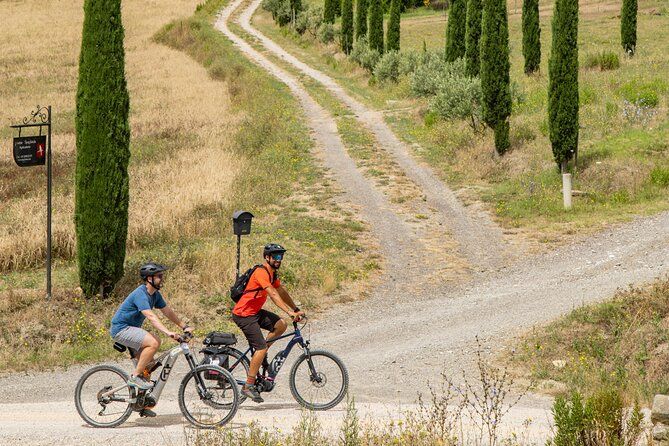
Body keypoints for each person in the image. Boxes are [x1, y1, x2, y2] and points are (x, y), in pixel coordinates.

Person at [110, 263, 193, 411]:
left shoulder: (155, 295)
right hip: (121, 329)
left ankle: (141, 404)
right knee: (154, 342)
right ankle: (135, 377)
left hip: (132, 329)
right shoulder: (141, 294)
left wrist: (183, 326)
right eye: (159, 276)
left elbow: (167, 311)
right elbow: (150, 316)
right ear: (149, 278)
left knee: (148, 368)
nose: (162, 278)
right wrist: (167, 332)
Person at [232, 243, 305, 403]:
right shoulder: (261, 272)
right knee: (261, 347)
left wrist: (295, 308)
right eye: (276, 256)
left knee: (281, 325)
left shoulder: (272, 274)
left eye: (281, 256)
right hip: (244, 315)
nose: (279, 259)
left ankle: (261, 354)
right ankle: (248, 385)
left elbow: (280, 291)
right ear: (267, 257)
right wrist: (289, 312)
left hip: (254, 312)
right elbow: (272, 293)